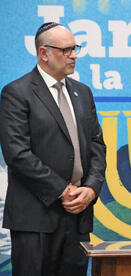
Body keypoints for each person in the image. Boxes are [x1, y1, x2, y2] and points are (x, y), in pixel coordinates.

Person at [0, 22, 106, 276]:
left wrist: (90, 188)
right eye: (66, 49)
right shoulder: (17, 93)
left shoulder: (83, 92)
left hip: (78, 214)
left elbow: (97, 146)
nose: (74, 55)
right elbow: (17, 153)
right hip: (35, 216)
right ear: (43, 53)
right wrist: (63, 189)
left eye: (75, 48)